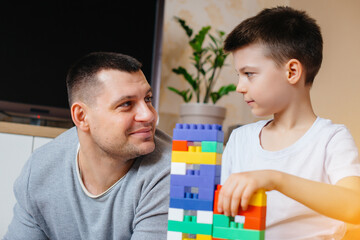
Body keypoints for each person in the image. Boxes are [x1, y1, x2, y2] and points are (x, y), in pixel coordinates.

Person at [217, 6, 360, 239]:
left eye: (249, 73)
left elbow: (354, 207)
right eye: (238, 75)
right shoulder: (240, 139)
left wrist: (275, 179)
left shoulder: (331, 139)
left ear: (292, 71)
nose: (239, 86)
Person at [4, 52, 172, 240]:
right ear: (82, 117)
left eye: (148, 99)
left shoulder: (171, 172)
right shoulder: (41, 169)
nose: (149, 116)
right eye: (126, 104)